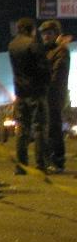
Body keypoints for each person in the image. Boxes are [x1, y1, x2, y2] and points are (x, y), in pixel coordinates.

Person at [8, 17, 50, 173]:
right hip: (36, 92)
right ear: (31, 29)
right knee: (40, 128)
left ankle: (21, 165)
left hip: (20, 92)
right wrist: (45, 83)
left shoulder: (12, 45)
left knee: (22, 128)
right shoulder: (33, 45)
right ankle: (41, 164)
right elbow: (43, 69)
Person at [40, 20, 72, 173]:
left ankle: (58, 161)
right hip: (43, 96)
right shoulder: (44, 51)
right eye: (44, 33)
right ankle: (47, 160)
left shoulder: (61, 51)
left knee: (54, 129)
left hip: (54, 96)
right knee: (45, 130)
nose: (46, 36)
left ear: (56, 34)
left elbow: (57, 75)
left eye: (49, 33)